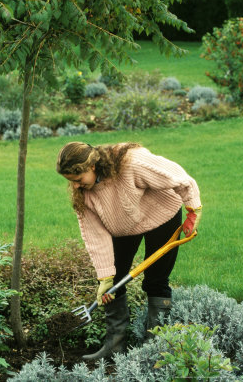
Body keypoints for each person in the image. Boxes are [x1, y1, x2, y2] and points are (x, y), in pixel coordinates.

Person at [56, 141, 202, 361]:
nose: (75, 186)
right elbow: (96, 237)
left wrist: (193, 209)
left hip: (162, 215)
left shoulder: (130, 163)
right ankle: (114, 347)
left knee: (156, 279)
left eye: (78, 180)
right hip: (123, 226)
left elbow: (178, 177)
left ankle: (155, 349)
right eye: (71, 182)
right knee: (113, 283)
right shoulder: (84, 195)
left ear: (92, 167)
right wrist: (105, 277)